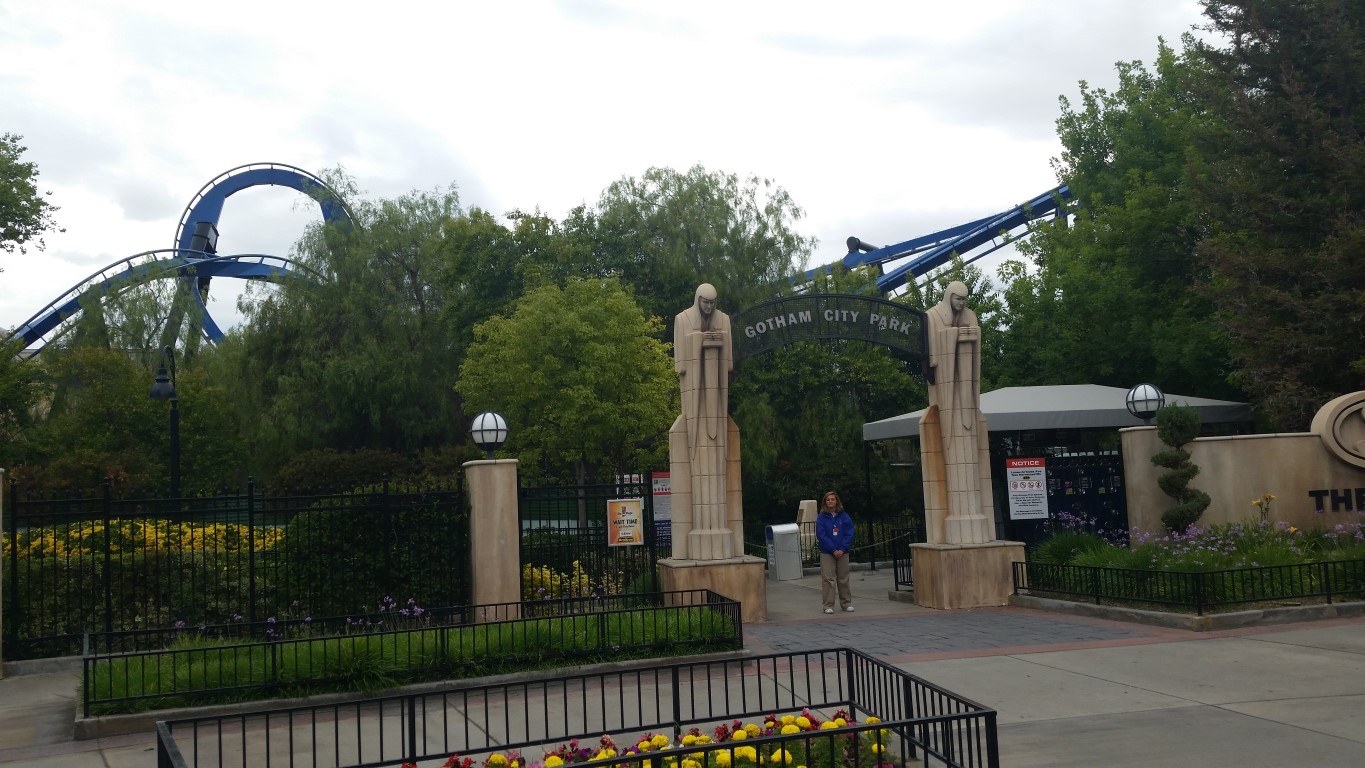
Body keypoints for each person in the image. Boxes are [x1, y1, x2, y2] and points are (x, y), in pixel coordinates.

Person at [816, 490, 854, 614]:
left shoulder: (844, 516)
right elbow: (821, 535)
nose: (830, 501)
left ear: (837, 501)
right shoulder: (821, 517)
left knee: (843, 579)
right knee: (828, 579)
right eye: (828, 500)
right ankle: (828, 605)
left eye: (832, 499)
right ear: (825, 502)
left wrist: (842, 549)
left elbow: (849, 532)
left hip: (843, 552)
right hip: (827, 553)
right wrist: (833, 549)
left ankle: (846, 603)